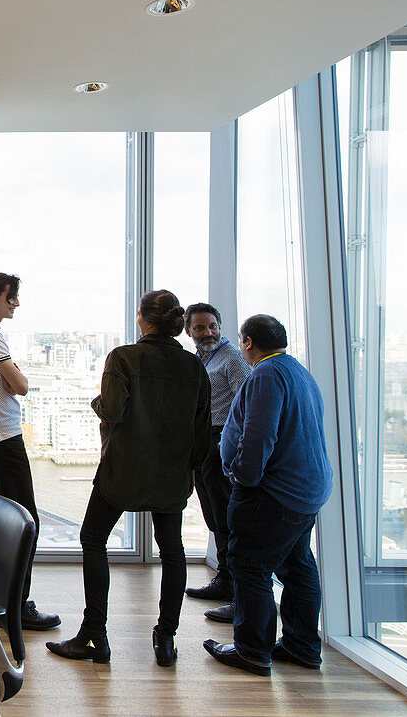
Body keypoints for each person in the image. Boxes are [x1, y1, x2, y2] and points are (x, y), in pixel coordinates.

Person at [47, 290, 210, 666]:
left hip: (124, 471)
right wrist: (189, 466)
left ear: (143, 318)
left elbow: (112, 411)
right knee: (172, 551)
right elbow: (203, 429)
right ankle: (166, 639)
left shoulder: (123, 358)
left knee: (92, 538)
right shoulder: (193, 366)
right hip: (171, 473)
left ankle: (95, 635)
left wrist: (96, 404)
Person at [204, 315, 333, 677]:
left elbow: (259, 434)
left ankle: (251, 651)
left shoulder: (265, 375)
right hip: (304, 491)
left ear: (247, 342)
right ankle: (301, 646)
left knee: (249, 567)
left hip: (272, 493)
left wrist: (243, 478)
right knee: (297, 567)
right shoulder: (297, 371)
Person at [0, 272, 60, 631]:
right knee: (26, 524)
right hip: (4, 438)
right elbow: (21, 385)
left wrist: (11, 378)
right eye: (11, 298)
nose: (16, 303)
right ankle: (18, 607)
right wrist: (15, 377)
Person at [182, 302, 251, 607]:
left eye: (212, 326)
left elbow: (248, 402)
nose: (207, 332)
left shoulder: (232, 358)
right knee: (212, 514)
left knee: (225, 514)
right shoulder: (199, 360)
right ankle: (226, 578)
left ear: (220, 326)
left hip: (222, 440)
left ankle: (232, 583)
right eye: (200, 328)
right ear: (188, 331)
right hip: (202, 443)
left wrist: (233, 444)